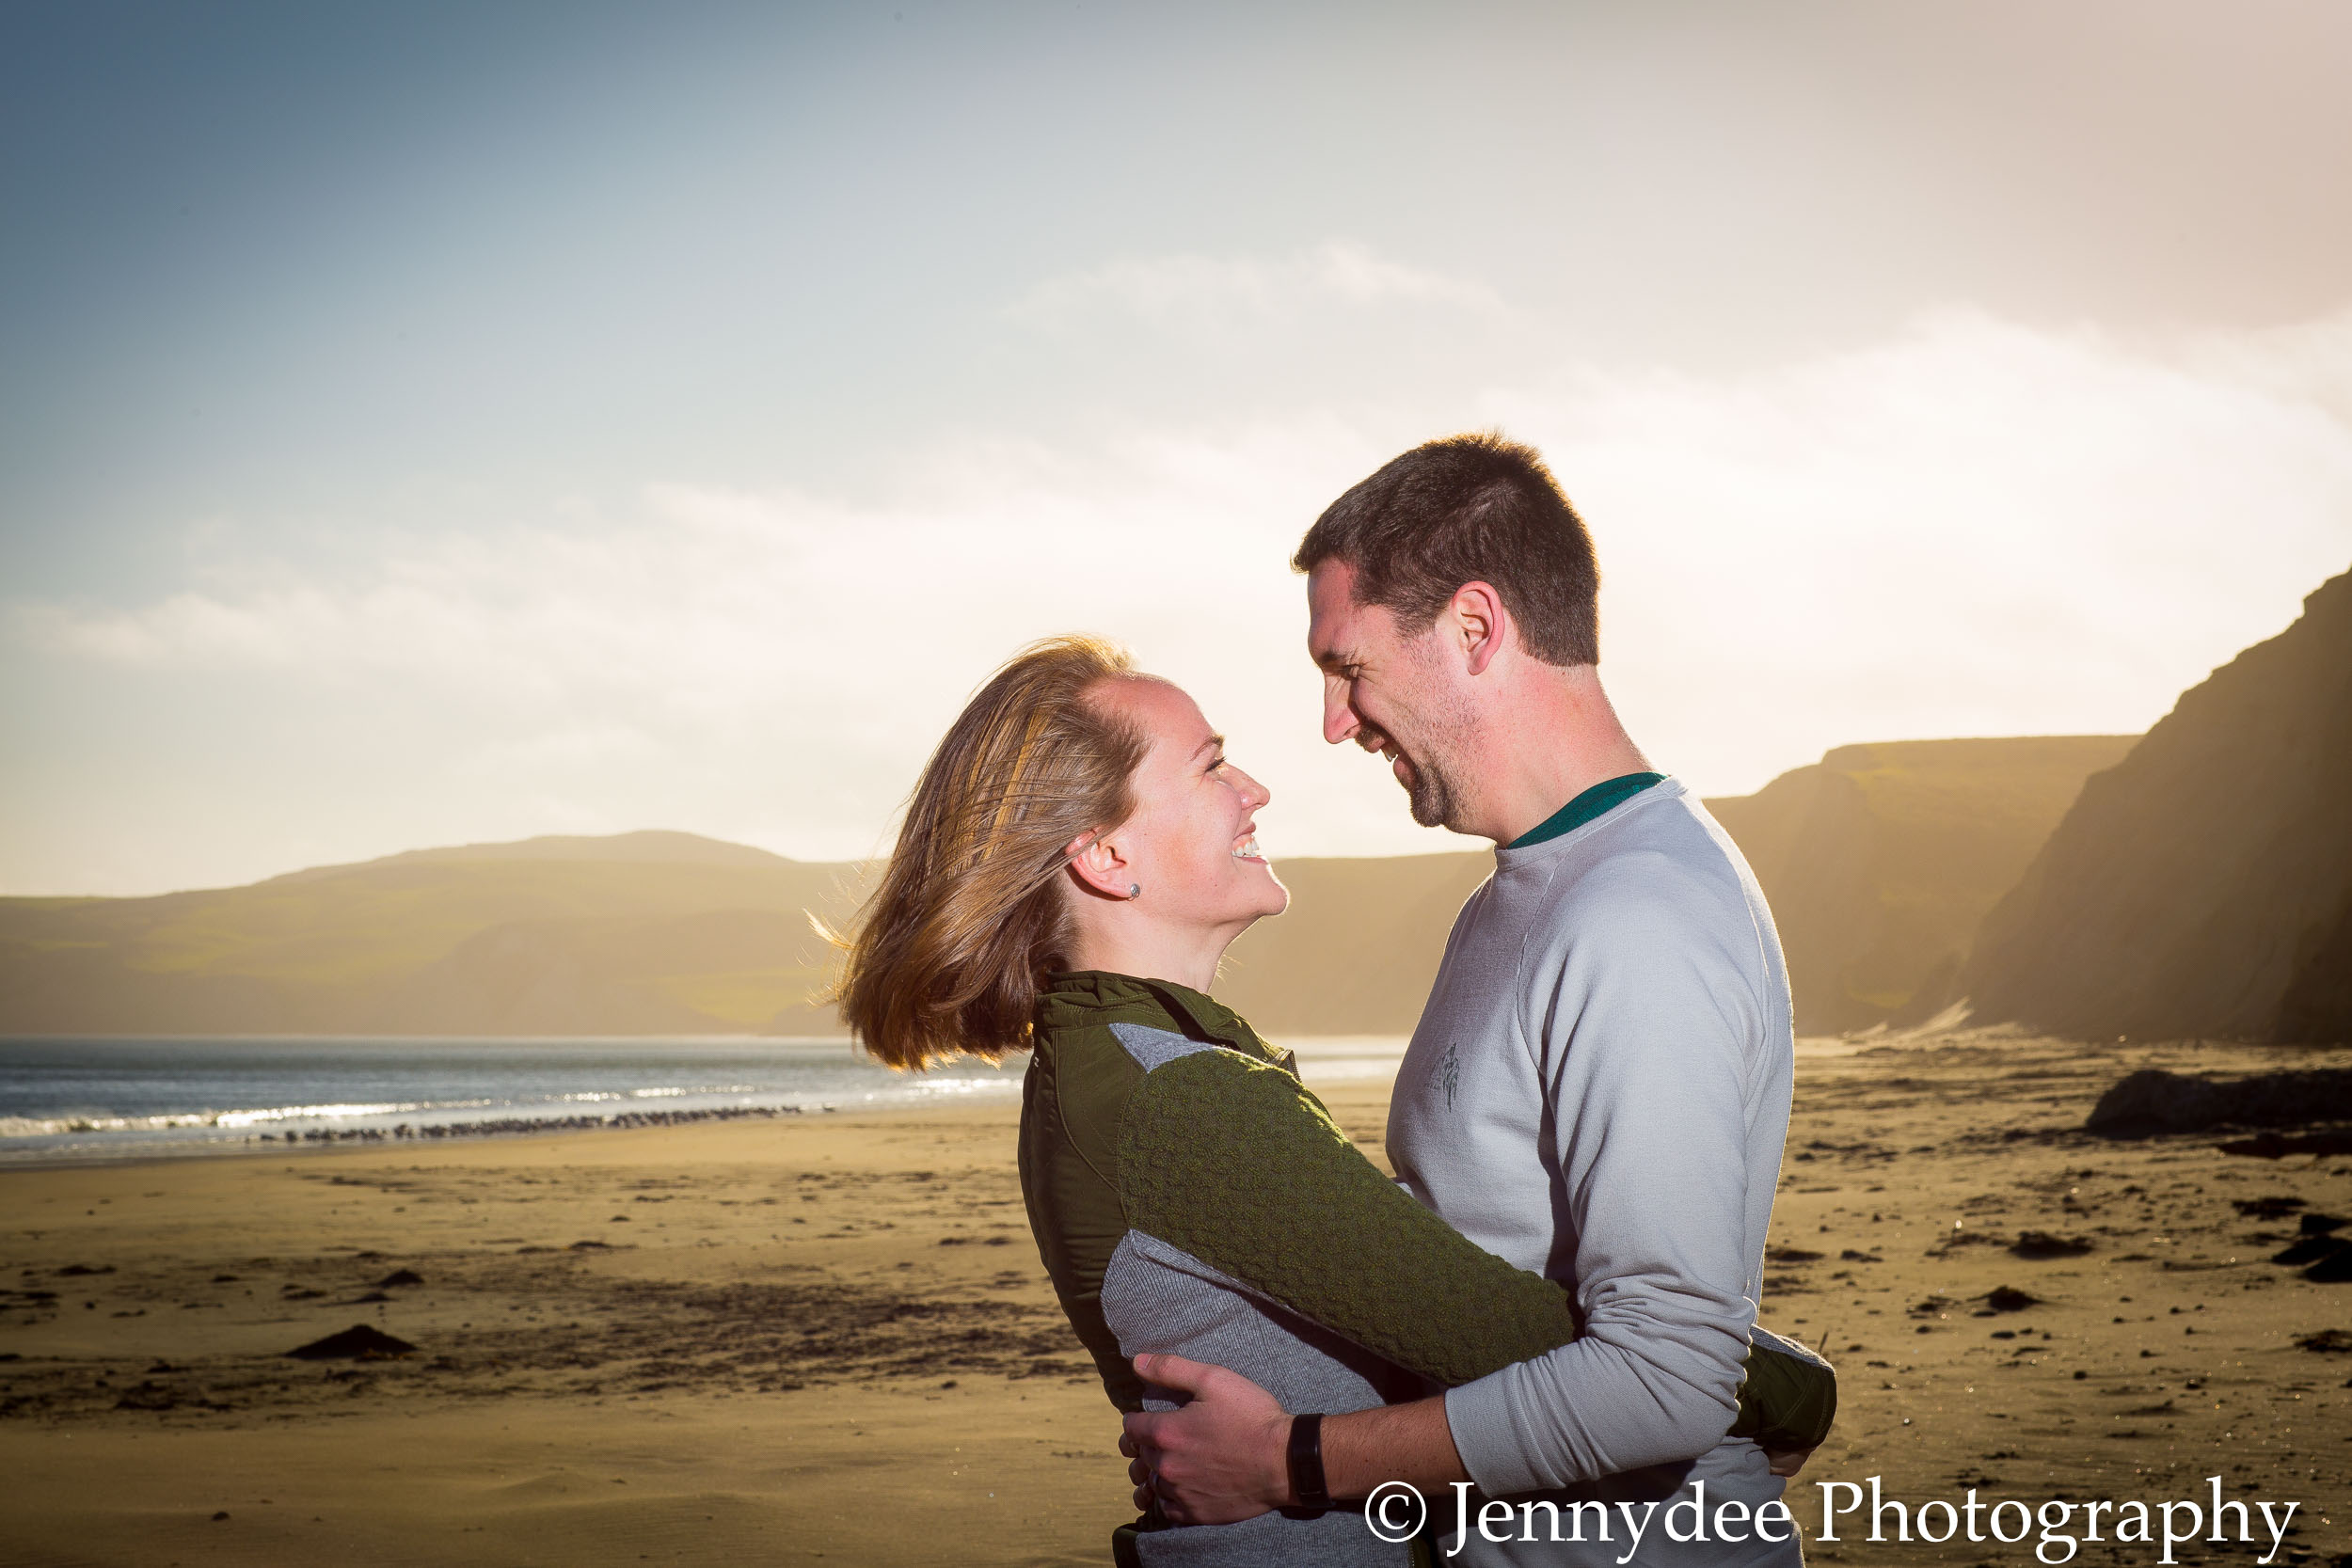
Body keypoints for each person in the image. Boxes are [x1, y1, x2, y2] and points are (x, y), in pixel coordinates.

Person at [831, 633, 1833, 1566]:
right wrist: (1795, 1389)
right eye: (1211, 765)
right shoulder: (1179, 1102)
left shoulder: (1134, 1060)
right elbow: (1510, 1337)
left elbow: (1397, 1270)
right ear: (1106, 855)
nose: (1253, 788)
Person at [1121, 433, 1825, 1566]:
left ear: (1474, 627)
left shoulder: (1636, 913)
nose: (1334, 721)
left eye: (1347, 665)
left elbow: (1668, 1375)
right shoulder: (1534, 888)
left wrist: (1287, 1458)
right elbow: (1487, 1250)